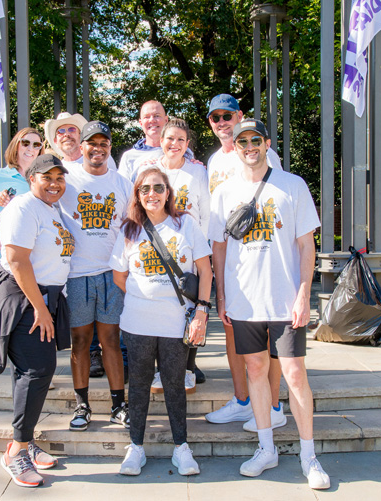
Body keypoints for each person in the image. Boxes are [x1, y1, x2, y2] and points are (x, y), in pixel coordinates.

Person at [209, 119, 330, 489]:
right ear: (235, 146)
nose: (249, 146)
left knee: (294, 374)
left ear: (266, 143)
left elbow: (306, 245)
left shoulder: (292, 185)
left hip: (284, 300)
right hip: (244, 301)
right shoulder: (224, 192)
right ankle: (266, 448)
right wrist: (221, 295)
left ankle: (309, 456)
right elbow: (218, 248)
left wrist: (304, 293)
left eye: (255, 140)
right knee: (256, 369)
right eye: (242, 141)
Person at [110, 167, 213, 477]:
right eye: (145, 189)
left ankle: (181, 447)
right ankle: (136, 447)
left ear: (168, 192)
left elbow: (205, 270)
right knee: (139, 384)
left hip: (175, 323)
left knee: (174, 385)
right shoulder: (129, 230)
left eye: (158, 188)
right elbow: (119, 276)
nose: (152, 194)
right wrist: (145, 297)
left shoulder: (186, 225)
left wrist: (201, 311)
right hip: (137, 323)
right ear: (138, 196)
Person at [0, 154, 74, 488]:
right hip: (24, 298)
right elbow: (16, 260)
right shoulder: (22, 208)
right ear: (31, 178)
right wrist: (40, 308)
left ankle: (25, 440)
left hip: (42, 297)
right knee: (37, 370)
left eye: (59, 178)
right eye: (46, 177)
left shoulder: (50, 209)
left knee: (29, 372)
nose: (54, 183)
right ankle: (16, 451)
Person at [204, 94, 286, 433]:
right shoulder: (213, 161)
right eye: (215, 118)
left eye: (227, 115)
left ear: (240, 116)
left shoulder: (263, 153)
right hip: (232, 260)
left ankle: (273, 405)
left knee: (267, 336)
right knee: (232, 330)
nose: (222, 122)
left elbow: (278, 203)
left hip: (263, 257)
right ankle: (242, 401)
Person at [58, 121, 133, 431]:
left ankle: (118, 405)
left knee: (111, 340)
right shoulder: (67, 179)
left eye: (104, 143)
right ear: (82, 147)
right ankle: (82, 405)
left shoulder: (122, 183)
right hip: (77, 274)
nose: (98, 148)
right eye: (92, 143)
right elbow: (39, 196)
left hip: (111, 273)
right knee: (79, 341)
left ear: (110, 147)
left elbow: (132, 227)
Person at [132, 118, 210, 393]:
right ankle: (160, 369)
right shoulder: (149, 169)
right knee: (161, 309)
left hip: (188, 249)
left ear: (187, 144)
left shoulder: (197, 171)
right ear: (160, 141)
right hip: (157, 248)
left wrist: (200, 250)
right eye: (170, 138)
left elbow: (205, 213)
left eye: (180, 139)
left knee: (190, 307)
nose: (174, 144)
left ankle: (188, 369)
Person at [117, 100, 197, 179]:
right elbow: (122, 186)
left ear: (166, 120)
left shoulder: (181, 151)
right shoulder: (129, 157)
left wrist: (197, 165)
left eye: (157, 116)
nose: (152, 120)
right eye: (147, 117)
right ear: (141, 123)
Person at [44, 111, 117, 170]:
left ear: (81, 136)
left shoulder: (101, 158)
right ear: (55, 141)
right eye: (61, 131)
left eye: (72, 129)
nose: (66, 134)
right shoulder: (57, 170)